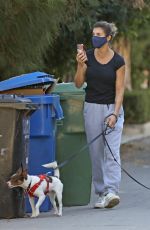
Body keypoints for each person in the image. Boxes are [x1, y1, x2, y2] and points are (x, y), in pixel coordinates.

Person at [74, 21, 125, 209]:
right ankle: (102, 192)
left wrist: (115, 113)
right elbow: (78, 84)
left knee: (112, 152)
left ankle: (112, 191)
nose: (95, 37)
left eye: (99, 34)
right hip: (92, 108)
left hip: (112, 108)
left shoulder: (118, 61)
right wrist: (80, 65)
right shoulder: (86, 57)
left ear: (108, 38)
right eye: (93, 34)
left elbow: (120, 90)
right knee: (96, 153)